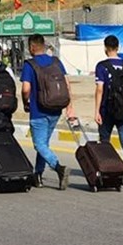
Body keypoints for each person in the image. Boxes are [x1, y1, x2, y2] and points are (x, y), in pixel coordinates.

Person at [21, 34, 75, 190]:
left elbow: (26, 89)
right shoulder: (56, 62)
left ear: (31, 47)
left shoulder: (30, 65)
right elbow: (66, 83)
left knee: (39, 145)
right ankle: (37, 175)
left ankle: (59, 168)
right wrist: (69, 105)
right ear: (43, 45)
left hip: (39, 111)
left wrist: (26, 102)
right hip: (56, 109)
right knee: (44, 144)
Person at [94, 36, 123, 185]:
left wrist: (97, 110)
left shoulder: (101, 66)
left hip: (107, 109)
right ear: (118, 47)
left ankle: (107, 169)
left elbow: (100, 89)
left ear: (105, 48)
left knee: (105, 141)